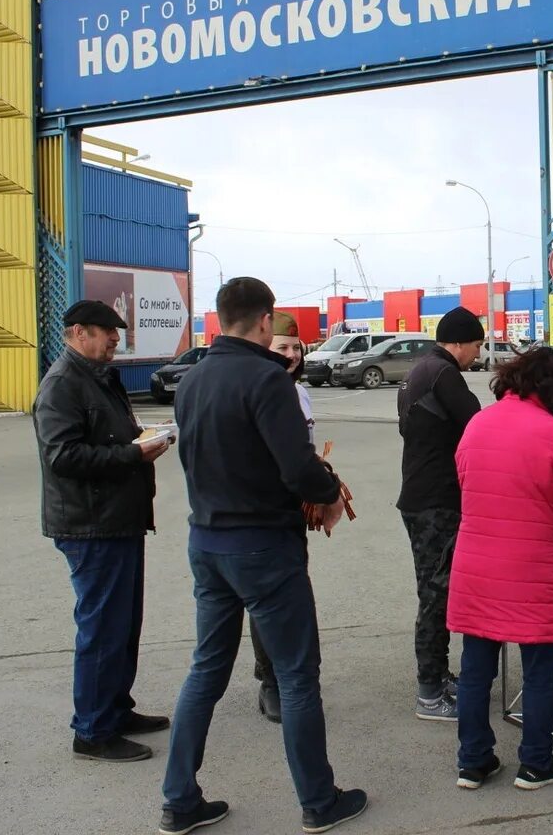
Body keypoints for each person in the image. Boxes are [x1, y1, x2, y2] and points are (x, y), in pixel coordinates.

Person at [160, 278, 366, 835]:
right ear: (265, 320)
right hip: (263, 547)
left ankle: (178, 800)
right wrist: (325, 496)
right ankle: (319, 802)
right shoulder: (268, 379)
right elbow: (297, 466)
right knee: (298, 676)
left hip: (206, 541)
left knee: (206, 669)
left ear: (222, 318)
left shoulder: (192, 378)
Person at [448, 347, 553, 791]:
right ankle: (536, 763)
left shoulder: (478, 423)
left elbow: (464, 478)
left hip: (476, 567)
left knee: (476, 669)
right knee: (539, 668)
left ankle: (473, 761)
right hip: (529, 570)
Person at [33, 299, 171, 764]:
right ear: (77, 333)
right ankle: (91, 731)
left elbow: (109, 437)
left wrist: (141, 439)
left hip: (118, 518)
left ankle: (115, 708)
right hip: (90, 525)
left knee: (122, 625)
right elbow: (63, 457)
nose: (115, 338)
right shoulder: (62, 385)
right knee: (101, 628)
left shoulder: (99, 377)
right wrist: (134, 455)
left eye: (117, 331)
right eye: (106, 330)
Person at [395, 306, 485, 720]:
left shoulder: (421, 370)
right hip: (436, 501)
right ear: (460, 343)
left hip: (420, 496)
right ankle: (430, 692)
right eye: (477, 345)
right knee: (437, 592)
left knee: (434, 589)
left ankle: (438, 674)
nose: (478, 354)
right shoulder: (445, 375)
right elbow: (479, 425)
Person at [248, 312, 316, 724]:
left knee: (289, 601)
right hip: (263, 512)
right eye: (281, 348)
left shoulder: (300, 392)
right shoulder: (262, 390)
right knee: (266, 603)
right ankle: (270, 680)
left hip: (292, 510)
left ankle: (288, 676)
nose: (291, 355)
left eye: (295, 347)